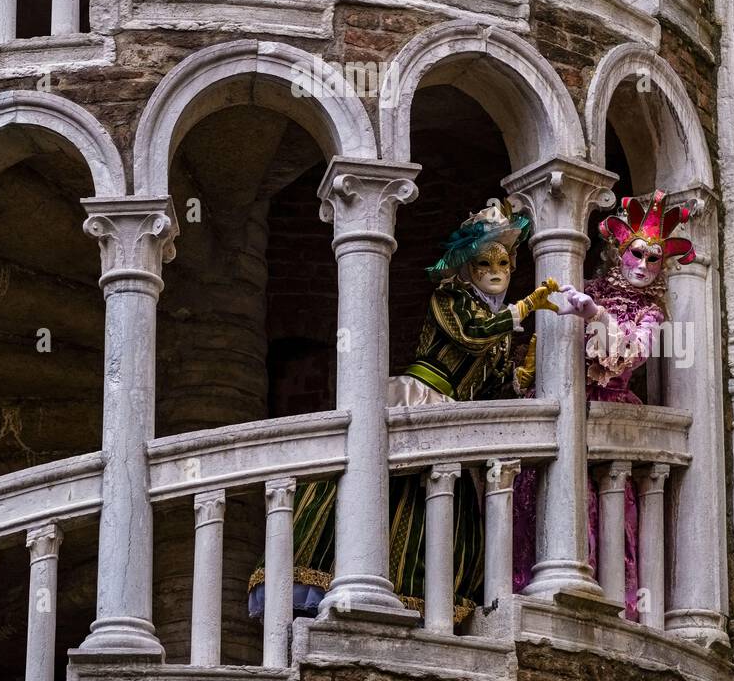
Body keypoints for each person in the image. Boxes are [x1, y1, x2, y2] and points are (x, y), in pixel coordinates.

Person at [248, 199, 562, 622]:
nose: (495, 271)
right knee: (382, 490)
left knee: (435, 510)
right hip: (417, 396)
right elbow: (470, 336)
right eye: (484, 261)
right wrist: (523, 309)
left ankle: (417, 604)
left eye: (503, 263)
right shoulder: (450, 299)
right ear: (467, 267)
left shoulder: (504, 331)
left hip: (453, 418)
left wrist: (520, 378)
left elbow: (488, 390)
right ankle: (353, 585)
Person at [554, 189, 695, 619]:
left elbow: (631, 353)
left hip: (611, 414)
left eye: (655, 259)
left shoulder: (650, 312)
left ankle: (611, 600)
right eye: (637, 253)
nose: (644, 265)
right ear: (619, 252)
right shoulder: (593, 287)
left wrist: (599, 319)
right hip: (571, 404)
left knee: (608, 511)